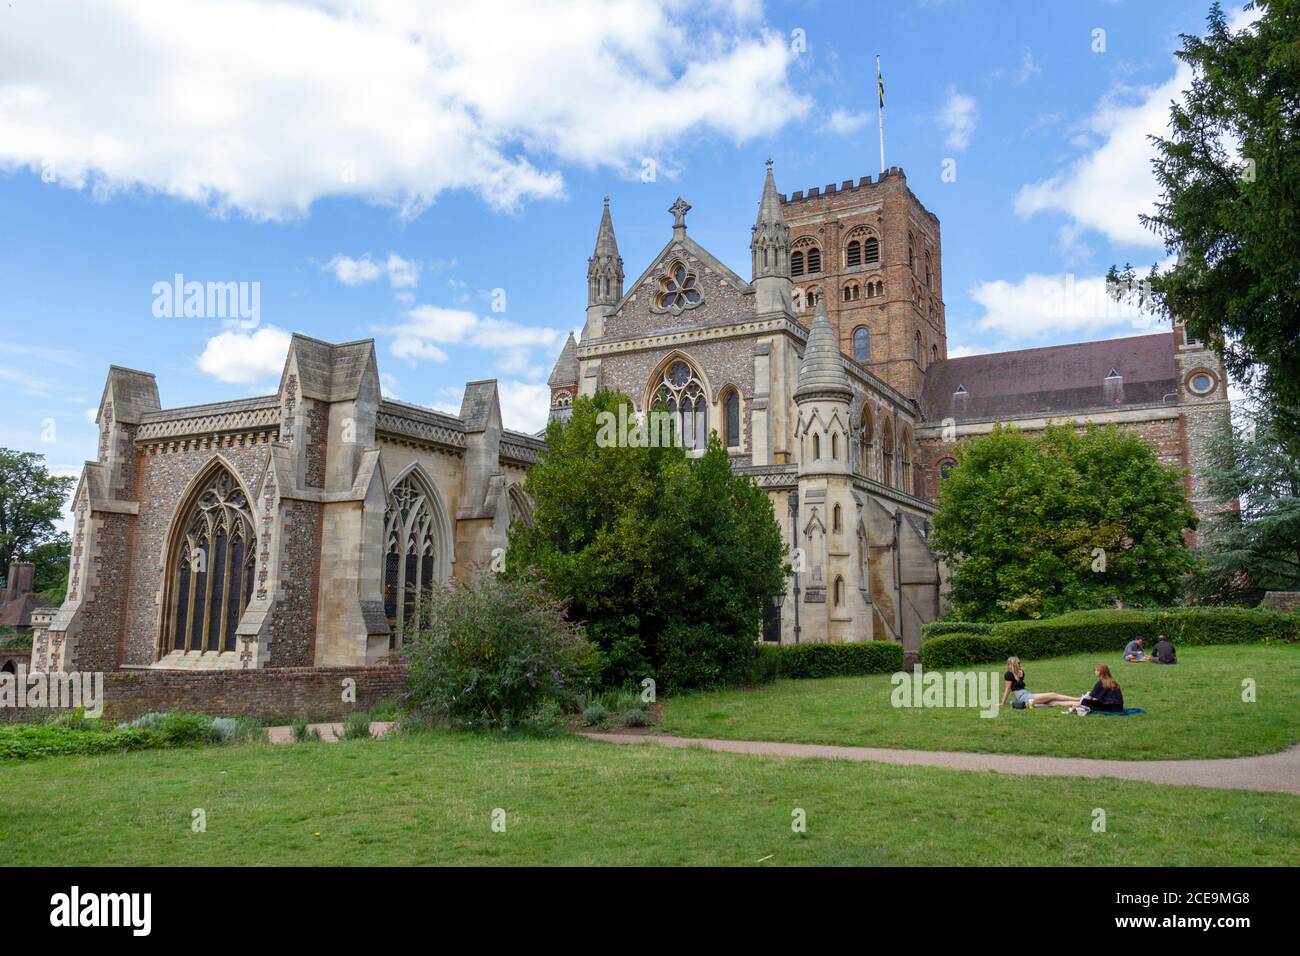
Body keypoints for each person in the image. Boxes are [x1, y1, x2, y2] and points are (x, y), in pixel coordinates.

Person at [1000, 656, 1079, 709]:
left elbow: (1018, 684)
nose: (1020, 664)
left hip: (1027, 694)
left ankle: (1079, 703)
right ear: (1014, 664)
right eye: (1018, 663)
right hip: (1023, 698)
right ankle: (1078, 699)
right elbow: (1007, 689)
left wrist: (1020, 675)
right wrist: (1002, 703)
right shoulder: (1009, 674)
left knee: (1053, 702)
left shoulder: (1021, 672)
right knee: (1052, 695)